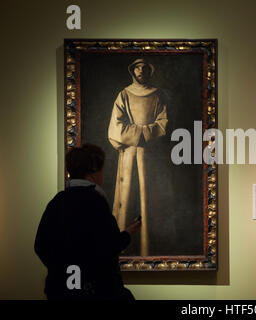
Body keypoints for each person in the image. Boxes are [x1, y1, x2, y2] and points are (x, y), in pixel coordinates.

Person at [34, 144, 141, 300]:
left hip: (61, 291)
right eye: (102, 169)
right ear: (93, 172)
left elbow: (40, 245)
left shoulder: (57, 202)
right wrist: (128, 233)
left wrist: (67, 271)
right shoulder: (96, 203)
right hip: (95, 292)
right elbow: (109, 246)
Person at [108, 58, 169, 256]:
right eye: (137, 67)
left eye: (144, 67)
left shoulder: (158, 96)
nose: (140, 70)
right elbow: (115, 128)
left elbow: (163, 125)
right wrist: (140, 134)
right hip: (128, 157)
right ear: (132, 70)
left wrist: (144, 135)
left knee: (149, 199)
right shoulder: (124, 95)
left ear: (149, 71)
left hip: (151, 159)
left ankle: (148, 249)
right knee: (128, 200)